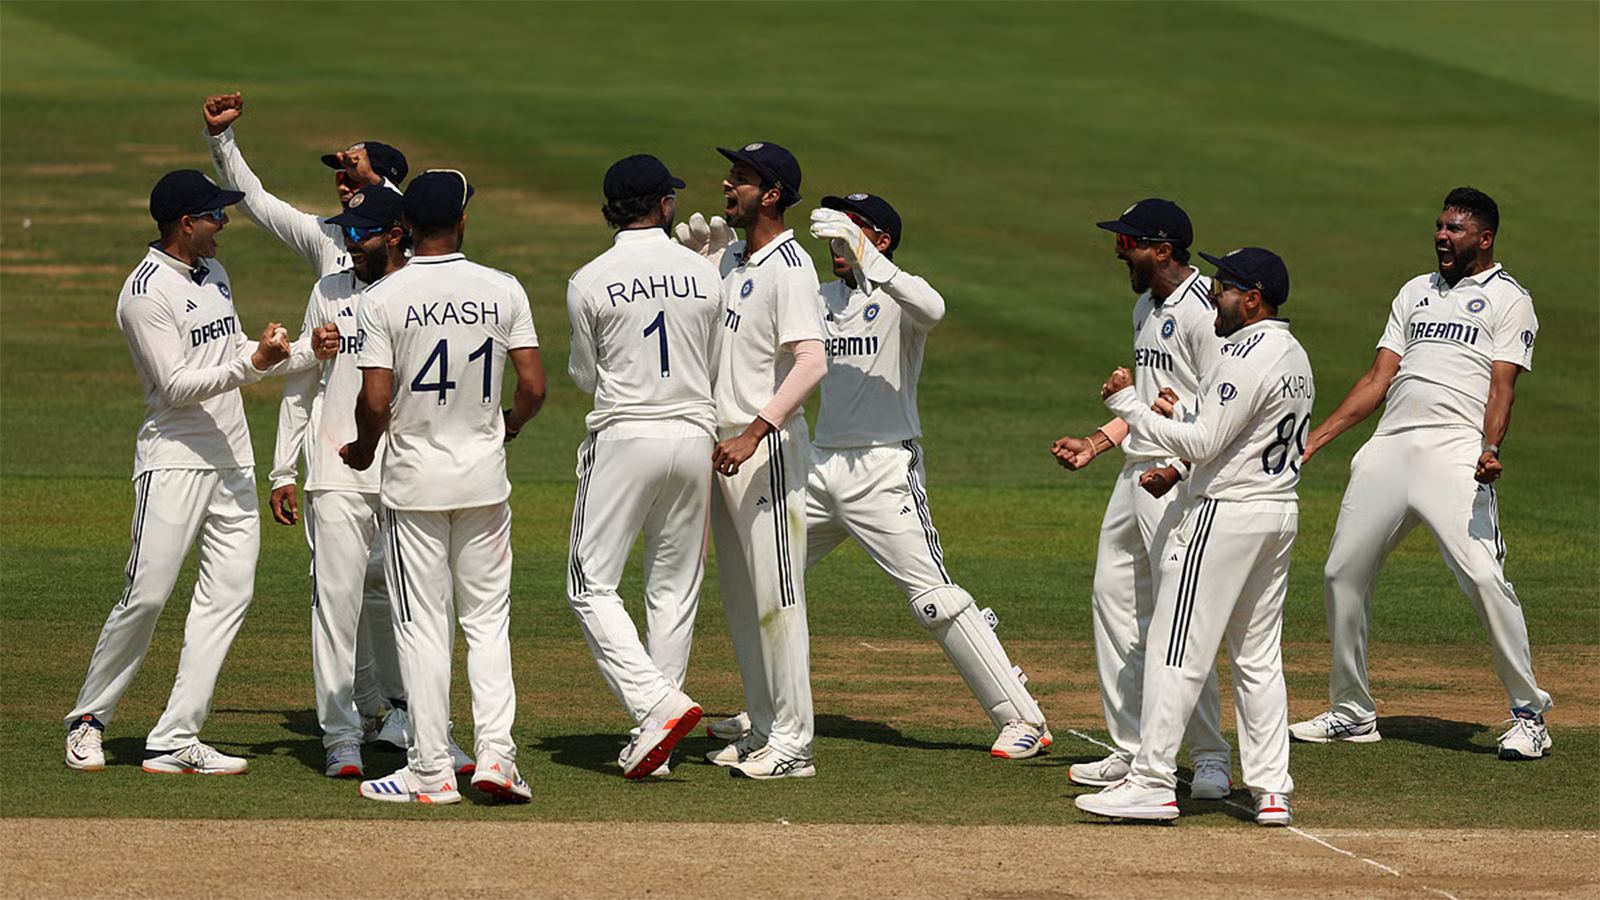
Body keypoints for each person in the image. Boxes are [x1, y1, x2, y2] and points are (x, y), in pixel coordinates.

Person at [64, 170, 336, 774]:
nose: (225, 224)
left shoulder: (214, 274)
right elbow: (176, 385)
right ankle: (89, 719)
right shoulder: (144, 293)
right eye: (216, 216)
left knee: (229, 596)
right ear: (186, 223)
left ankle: (175, 738)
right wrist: (252, 364)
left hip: (233, 462)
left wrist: (297, 353)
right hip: (174, 460)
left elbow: (237, 354)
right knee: (148, 594)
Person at [1289, 188, 1551, 760]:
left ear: (1484, 238)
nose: (1441, 236)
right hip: (1390, 446)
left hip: (1455, 451)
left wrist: (1489, 446)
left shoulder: (1510, 300)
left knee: (1482, 577)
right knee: (1341, 572)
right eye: (1439, 226)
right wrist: (1317, 440)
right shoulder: (1415, 292)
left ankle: (1529, 715)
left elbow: (1502, 386)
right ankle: (1353, 711)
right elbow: (1379, 377)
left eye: (1455, 228)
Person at [204, 90, 426, 756]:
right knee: (339, 592)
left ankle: (399, 710)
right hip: (335, 453)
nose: (339, 175)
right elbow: (258, 200)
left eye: (350, 166)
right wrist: (222, 143)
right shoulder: (328, 243)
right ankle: (360, 716)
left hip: (405, 457)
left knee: (388, 590)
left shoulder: (414, 249)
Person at [799, 191, 1051, 758]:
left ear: (879, 240)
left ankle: (1022, 720)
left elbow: (934, 308)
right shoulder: (817, 298)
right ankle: (774, 710)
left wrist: (870, 257)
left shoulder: (900, 298)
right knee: (766, 578)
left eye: (852, 230)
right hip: (818, 467)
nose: (837, 241)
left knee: (933, 601)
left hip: (885, 468)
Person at [1075, 247, 1311, 826]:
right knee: (1256, 656)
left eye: (1225, 288)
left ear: (1252, 300)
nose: (1215, 295)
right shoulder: (1294, 353)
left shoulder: (1244, 355)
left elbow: (1205, 442)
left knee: (1174, 646)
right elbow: (1228, 433)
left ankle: (1152, 781)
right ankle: (1272, 788)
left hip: (1225, 514)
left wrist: (1127, 405)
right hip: (1278, 513)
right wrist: (1177, 439)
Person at [343, 170, 545, 804]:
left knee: (423, 626)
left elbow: (375, 399)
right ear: (461, 222)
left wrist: (364, 448)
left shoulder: (382, 298)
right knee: (487, 623)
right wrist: (505, 426)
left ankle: (431, 770)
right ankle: (497, 760)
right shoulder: (502, 288)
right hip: (484, 481)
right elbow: (534, 387)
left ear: (405, 228)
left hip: (414, 486)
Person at [1049, 200, 1232, 798]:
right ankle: (1130, 748)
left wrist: (1178, 468)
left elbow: (1219, 408)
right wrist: (1097, 443)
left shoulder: (1207, 313)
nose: (1117, 252)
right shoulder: (1145, 306)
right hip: (1135, 476)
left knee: (1179, 619)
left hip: (1175, 479)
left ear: (1162, 248)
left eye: (1125, 242)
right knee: (1114, 604)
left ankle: (1209, 758)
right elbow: (1148, 399)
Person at [564, 155, 722, 779]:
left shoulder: (589, 278)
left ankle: (656, 706)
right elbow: (714, 358)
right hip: (694, 435)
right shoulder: (703, 274)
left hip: (625, 435)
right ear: (663, 205)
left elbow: (583, 373)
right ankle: (656, 738)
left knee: (589, 584)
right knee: (673, 590)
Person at [677, 142, 826, 779]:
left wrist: (755, 432)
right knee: (742, 601)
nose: (725, 185)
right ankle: (765, 727)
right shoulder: (736, 257)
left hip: (767, 454)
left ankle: (795, 743)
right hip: (725, 450)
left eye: (739, 179)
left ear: (771, 194)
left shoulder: (791, 266)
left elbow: (812, 361)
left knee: (778, 599)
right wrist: (700, 271)